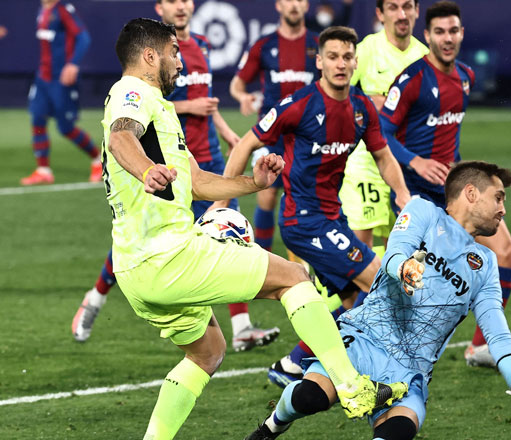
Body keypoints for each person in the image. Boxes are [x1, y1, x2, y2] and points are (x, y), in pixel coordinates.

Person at [102, 18, 407, 439]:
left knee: (207, 352)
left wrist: (255, 183)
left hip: (137, 269)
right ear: (150, 56)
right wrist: (147, 171)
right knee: (294, 277)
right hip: (166, 256)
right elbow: (121, 139)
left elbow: (199, 182)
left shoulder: (161, 109)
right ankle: (353, 390)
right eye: (174, 53)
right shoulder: (132, 92)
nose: (180, 63)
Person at [244, 161, 511, 440]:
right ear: (471, 194)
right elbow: (395, 252)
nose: (504, 209)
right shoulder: (424, 213)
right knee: (309, 396)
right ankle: (271, 427)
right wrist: (402, 267)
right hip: (366, 338)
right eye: (499, 197)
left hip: (410, 371)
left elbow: (498, 333)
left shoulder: (486, 264)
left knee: (399, 432)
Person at [71, 0, 281, 353]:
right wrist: (154, 159)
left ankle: (241, 325)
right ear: (160, 9)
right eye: (173, 1)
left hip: (199, 154)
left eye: (186, 0)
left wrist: (228, 135)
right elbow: (135, 120)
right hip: (160, 160)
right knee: (148, 235)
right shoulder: (149, 66)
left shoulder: (197, 47)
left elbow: (206, 102)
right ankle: (95, 297)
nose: (182, 6)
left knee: (228, 229)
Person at [223, 26, 411, 388]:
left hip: (332, 218)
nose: (341, 64)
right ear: (319, 61)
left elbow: (384, 156)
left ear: (356, 61)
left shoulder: (361, 110)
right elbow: (245, 144)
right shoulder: (299, 105)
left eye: (347, 57)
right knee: (379, 285)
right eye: (333, 57)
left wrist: (402, 194)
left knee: (357, 300)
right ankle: (356, 372)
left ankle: (292, 365)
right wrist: (222, 201)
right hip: (303, 221)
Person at [379, 1, 511, 368]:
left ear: (462, 34)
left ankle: (480, 347)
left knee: (505, 252)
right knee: (400, 284)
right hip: (418, 196)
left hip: (454, 194)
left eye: (453, 31)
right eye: (439, 32)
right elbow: (380, 131)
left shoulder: (466, 77)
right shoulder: (412, 79)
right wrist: (416, 161)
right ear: (426, 36)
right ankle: (317, 353)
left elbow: (447, 134)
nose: (447, 38)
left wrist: (457, 168)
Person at [229, 0, 319, 253]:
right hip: (272, 134)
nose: (294, 5)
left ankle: (306, 262)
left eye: (299, 0)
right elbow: (236, 84)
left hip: (309, 136)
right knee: (267, 194)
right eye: (288, 0)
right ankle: (264, 258)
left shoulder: (318, 45)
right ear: (279, 6)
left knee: (304, 201)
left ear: (306, 5)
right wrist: (242, 96)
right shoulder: (264, 45)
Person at [338, 0, 427, 251]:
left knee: (400, 251)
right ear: (380, 13)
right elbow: (335, 94)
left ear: (417, 11)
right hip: (366, 165)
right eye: (393, 7)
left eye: (407, 6)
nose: (402, 14)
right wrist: (366, 102)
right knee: (357, 252)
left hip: (406, 167)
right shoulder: (366, 50)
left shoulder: (424, 57)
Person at [21, 0, 102, 185]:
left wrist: (73, 64)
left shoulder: (64, 10)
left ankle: (98, 161)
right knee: (37, 119)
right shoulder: (42, 10)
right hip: (43, 77)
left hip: (61, 79)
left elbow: (83, 37)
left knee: (66, 128)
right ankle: (43, 170)